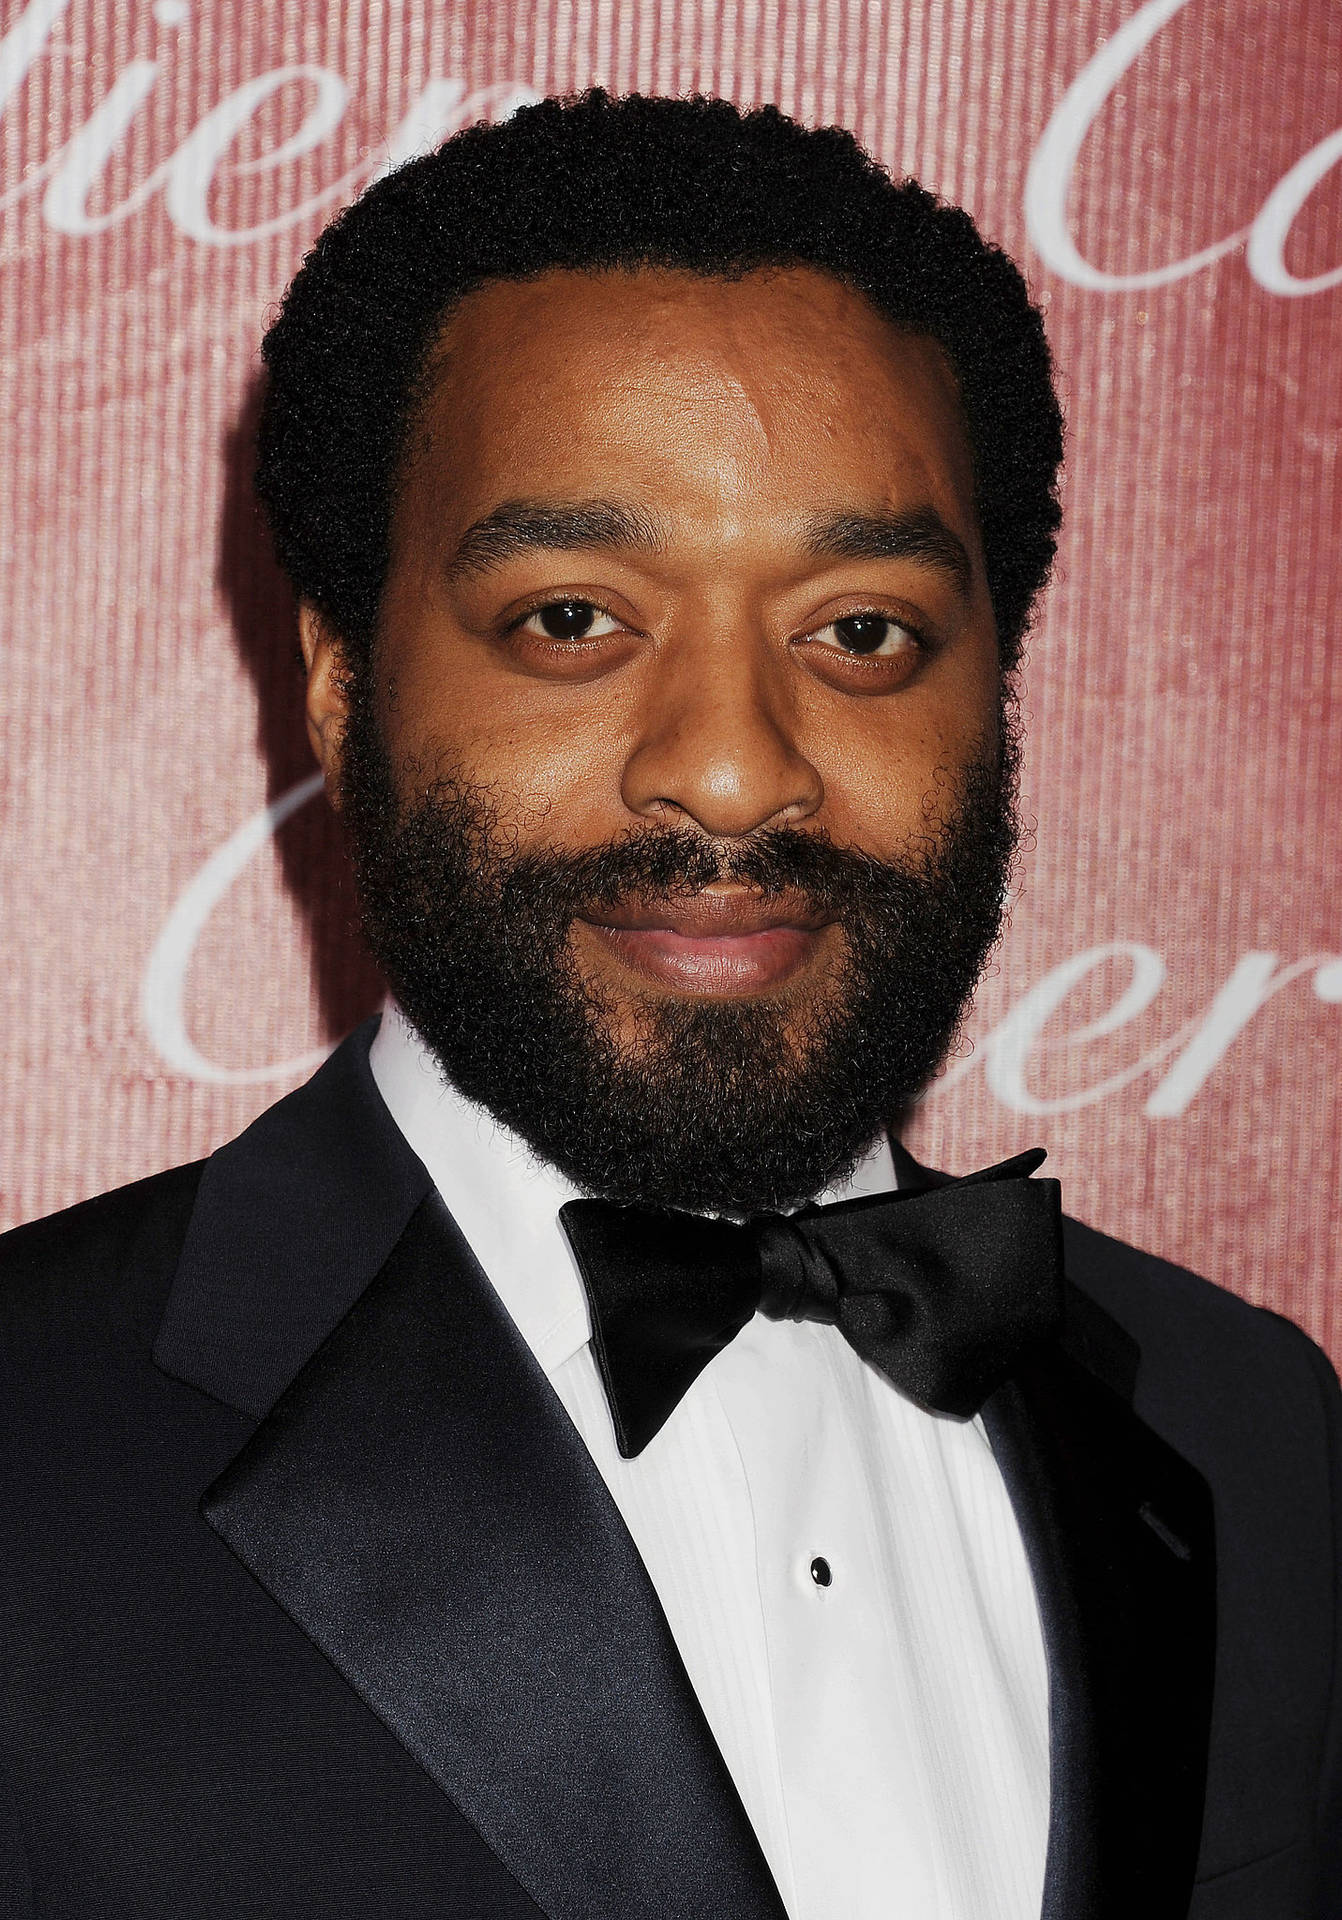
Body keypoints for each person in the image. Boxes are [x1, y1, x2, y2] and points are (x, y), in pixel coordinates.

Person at [0, 90, 1336, 1920]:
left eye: (859, 631)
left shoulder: (1253, 1427)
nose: (727, 770)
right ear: (335, 682)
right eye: (572, 621)